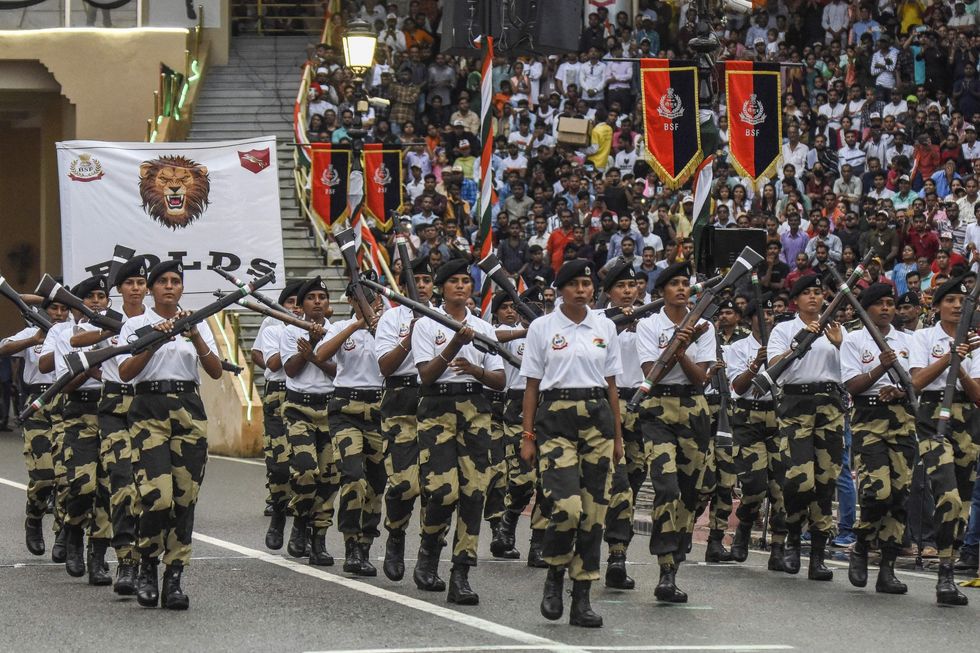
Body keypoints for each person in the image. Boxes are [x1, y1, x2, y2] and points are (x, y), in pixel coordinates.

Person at [520, 258, 623, 627]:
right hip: (556, 419)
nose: (582, 290)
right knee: (567, 507)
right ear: (560, 289)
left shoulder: (605, 326)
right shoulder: (542, 327)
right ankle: (554, 574)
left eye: (587, 284)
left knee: (594, 515)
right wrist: (527, 436)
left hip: (598, 419)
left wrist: (618, 437)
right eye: (574, 284)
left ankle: (582, 596)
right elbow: (532, 385)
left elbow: (611, 385)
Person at [118, 260, 222, 610]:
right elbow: (125, 372)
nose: (169, 286)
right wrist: (154, 339)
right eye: (161, 281)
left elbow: (215, 370)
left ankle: (174, 576)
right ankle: (147, 565)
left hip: (188, 408)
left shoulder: (196, 321)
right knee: (157, 497)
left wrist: (194, 335)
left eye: (175, 281)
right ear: (151, 289)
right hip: (149, 409)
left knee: (184, 496)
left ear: (181, 288)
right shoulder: (136, 324)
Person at [410, 258, 505, 604]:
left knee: (474, 492)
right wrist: (454, 344)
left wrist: (475, 370)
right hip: (437, 408)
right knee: (441, 492)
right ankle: (429, 549)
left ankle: (461, 573)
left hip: (475, 409)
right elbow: (426, 375)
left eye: (466, 281)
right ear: (442, 288)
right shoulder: (426, 324)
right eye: (454, 281)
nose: (461, 286)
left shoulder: (483, 327)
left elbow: (499, 379)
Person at [635, 262, 715, 603]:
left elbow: (702, 377)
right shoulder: (648, 325)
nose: (682, 288)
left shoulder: (704, 325)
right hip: (657, 409)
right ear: (661, 291)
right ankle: (665, 568)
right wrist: (676, 347)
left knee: (690, 493)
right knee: (666, 487)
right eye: (674, 283)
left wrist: (682, 351)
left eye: (686, 283)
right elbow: (650, 371)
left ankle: (676, 558)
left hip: (694, 408)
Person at [70, 257, 149, 594]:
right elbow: (76, 343)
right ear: (119, 289)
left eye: (140, 283)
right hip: (114, 406)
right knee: (118, 482)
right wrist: (109, 330)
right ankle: (119, 558)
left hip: (147, 405)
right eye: (129, 283)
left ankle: (135, 559)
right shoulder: (107, 318)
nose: (135, 288)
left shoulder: (155, 319)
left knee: (145, 489)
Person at [767, 275, 845, 581]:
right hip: (796, 403)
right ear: (795, 300)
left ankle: (817, 555)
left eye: (818, 292)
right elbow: (774, 367)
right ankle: (793, 534)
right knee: (800, 480)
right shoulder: (784, 329)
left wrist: (839, 345)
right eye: (807, 293)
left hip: (829, 404)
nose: (814, 297)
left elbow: (850, 372)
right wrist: (798, 343)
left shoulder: (837, 330)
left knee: (825, 480)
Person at [909, 274, 980, 606]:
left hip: (967, 420)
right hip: (933, 417)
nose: (957, 305)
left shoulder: (975, 342)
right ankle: (944, 573)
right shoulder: (923, 337)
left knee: (961, 502)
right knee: (947, 494)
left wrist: (961, 366)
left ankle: (948, 569)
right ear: (937, 306)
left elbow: (978, 395)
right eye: (950, 300)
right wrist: (949, 357)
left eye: (962, 301)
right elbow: (917, 382)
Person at [839, 284, 914, 595]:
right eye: (879, 303)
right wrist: (880, 368)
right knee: (877, 491)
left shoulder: (908, 340)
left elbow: (916, 381)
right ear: (866, 308)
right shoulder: (854, 340)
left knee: (899, 495)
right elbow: (851, 386)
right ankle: (861, 543)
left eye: (890, 303)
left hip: (902, 418)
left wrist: (900, 389)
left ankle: (887, 568)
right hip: (869, 418)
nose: (886, 308)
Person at [315, 283, 384, 576]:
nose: (369, 303)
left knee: (377, 483)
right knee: (353, 476)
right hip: (345, 410)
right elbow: (321, 355)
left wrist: (377, 328)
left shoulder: (387, 328)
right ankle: (351, 544)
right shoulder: (341, 327)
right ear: (352, 302)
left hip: (379, 409)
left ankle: (366, 542)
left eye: (372, 298)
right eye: (362, 299)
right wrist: (356, 325)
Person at [374, 258, 433, 581]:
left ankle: (428, 554)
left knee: (436, 487)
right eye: (416, 279)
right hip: (400, 402)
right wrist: (411, 335)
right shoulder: (391, 318)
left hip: (434, 401)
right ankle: (396, 534)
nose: (421, 285)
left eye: (427, 280)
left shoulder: (443, 316)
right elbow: (386, 366)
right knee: (405, 483)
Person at [0, 297, 70, 558]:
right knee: (43, 476)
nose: (59, 313)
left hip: (68, 402)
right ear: (45, 310)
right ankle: (34, 517)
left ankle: (63, 533)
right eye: (54, 308)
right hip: (37, 404)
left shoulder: (75, 332)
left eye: (64, 308)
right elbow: (3, 348)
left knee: (67, 477)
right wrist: (33, 340)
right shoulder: (34, 331)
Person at [278, 277, 338, 567]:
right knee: (305, 470)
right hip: (299, 409)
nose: (317, 302)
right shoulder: (290, 331)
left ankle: (319, 539)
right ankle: (301, 519)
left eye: (322, 297)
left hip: (330, 409)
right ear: (301, 305)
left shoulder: (336, 332)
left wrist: (313, 354)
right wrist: (312, 342)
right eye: (311, 298)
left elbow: (338, 371)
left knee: (329, 477)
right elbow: (290, 369)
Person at [726, 296, 787, 571]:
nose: (768, 319)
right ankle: (745, 524)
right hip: (748, 418)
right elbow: (738, 388)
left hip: (777, 415)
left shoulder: (783, 345)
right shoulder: (739, 348)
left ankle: (779, 546)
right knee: (754, 484)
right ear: (750, 319)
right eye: (762, 314)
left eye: (771, 314)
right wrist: (755, 365)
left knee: (781, 487)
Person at [597, 259, 643, 589]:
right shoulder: (598, 321)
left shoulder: (651, 319)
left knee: (635, 483)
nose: (627, 291)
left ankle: (619, 547)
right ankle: (616, 555)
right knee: (620, 485)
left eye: (632, 285)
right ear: (609, 292)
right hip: (608, 404)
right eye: (620, 286)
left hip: (641, 407)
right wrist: (617, 326)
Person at [251, 280, 304, 550]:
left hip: (305, 392)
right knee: (279, 461)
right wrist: (291, 339)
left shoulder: (315, 326)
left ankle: (306, 528)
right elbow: (264, 358)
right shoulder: (273, 325)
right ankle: (278, 506)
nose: (295, 307)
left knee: (306, 463)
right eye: (290, 302)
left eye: (299, 302)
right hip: (279, 390)